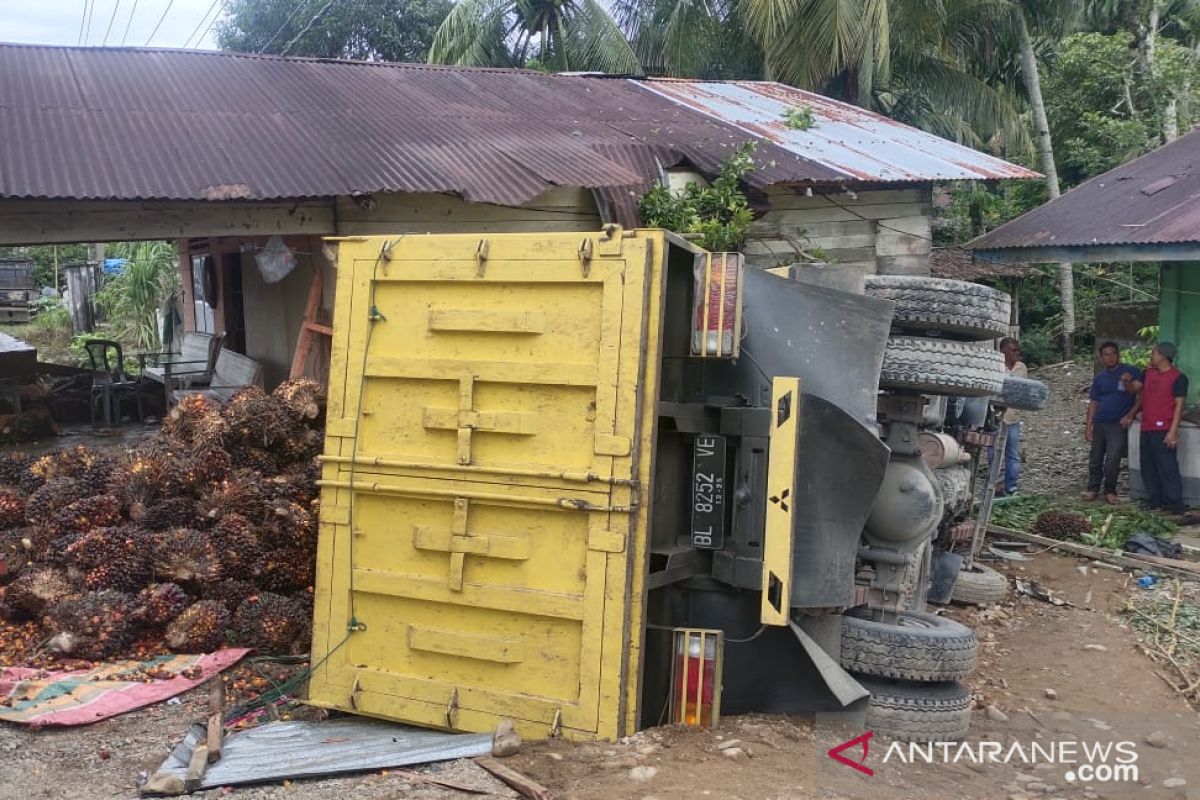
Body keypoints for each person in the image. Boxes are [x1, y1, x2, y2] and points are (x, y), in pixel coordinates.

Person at [1124, 342, 1189, 517]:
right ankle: (1155, 503)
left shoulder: (1178, 378)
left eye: (1153, 353)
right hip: (1146, 427)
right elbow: (1134, 390)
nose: (1151, 356)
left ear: (1161, 355)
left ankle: (1176, 506)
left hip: (1164, 428)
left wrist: (1173, 431)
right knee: (1148, 467)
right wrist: (1126, 382)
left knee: (1168, 468)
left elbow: (1179, 406)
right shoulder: (1148, 373)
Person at [1084, 342, 1141, 504]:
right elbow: (1094, 402)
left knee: (1113, 458)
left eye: (1113, 353)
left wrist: (1130, 414)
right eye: (1106, 354)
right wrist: (1088, 425)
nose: (1110, 357)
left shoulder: (1130, 371)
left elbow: (1139, 394)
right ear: (1101, 357)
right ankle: (1092, 488)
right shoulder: (1100, 377)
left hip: (1118, 423)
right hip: (1100, 422)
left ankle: (1110, 491)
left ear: (1118, 354)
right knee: (1095, 457)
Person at [996, 337, 1027, 496]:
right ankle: (996, 486)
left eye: (1017, 350)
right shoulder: (995, 368)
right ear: (1003, 352)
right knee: (995, 455)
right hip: (995, 418)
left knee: (1013, 455)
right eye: (1013, 350)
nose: (1017, 353)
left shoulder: (1021, 368)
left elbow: (1024, 391)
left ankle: (1012, 488)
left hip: (1013, 418)